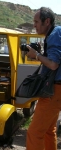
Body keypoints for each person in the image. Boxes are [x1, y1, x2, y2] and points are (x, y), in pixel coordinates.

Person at [26, 7, 61, 150]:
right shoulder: (56, 33)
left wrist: (36, 55)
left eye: (36, 21)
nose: (34, 25)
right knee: (48, 130)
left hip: (53, 90)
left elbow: (53, 64)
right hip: (57, 90)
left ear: (47, 21)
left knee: (34, 133)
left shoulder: (54, 35)